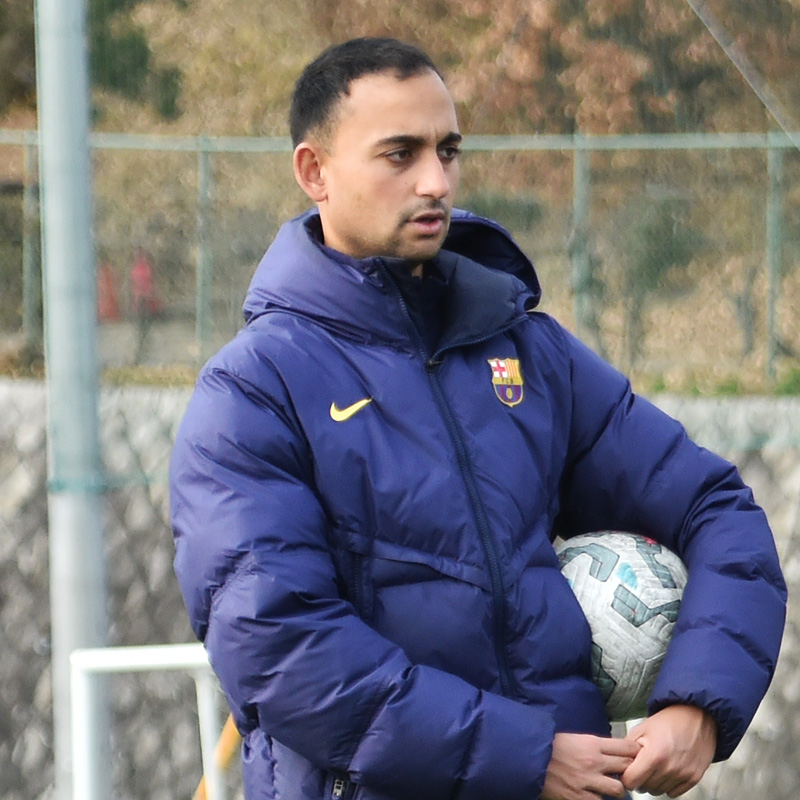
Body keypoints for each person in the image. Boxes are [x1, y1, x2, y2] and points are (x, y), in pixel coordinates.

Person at [169, 37, 786, 800]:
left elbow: (717, 509)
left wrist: (700, 701)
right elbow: (280, 649)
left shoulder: (528, 352)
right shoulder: (253, 390)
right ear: (313, 171)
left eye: (448, 150)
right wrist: (525, 757)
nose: (435, 180)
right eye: (400, 154)